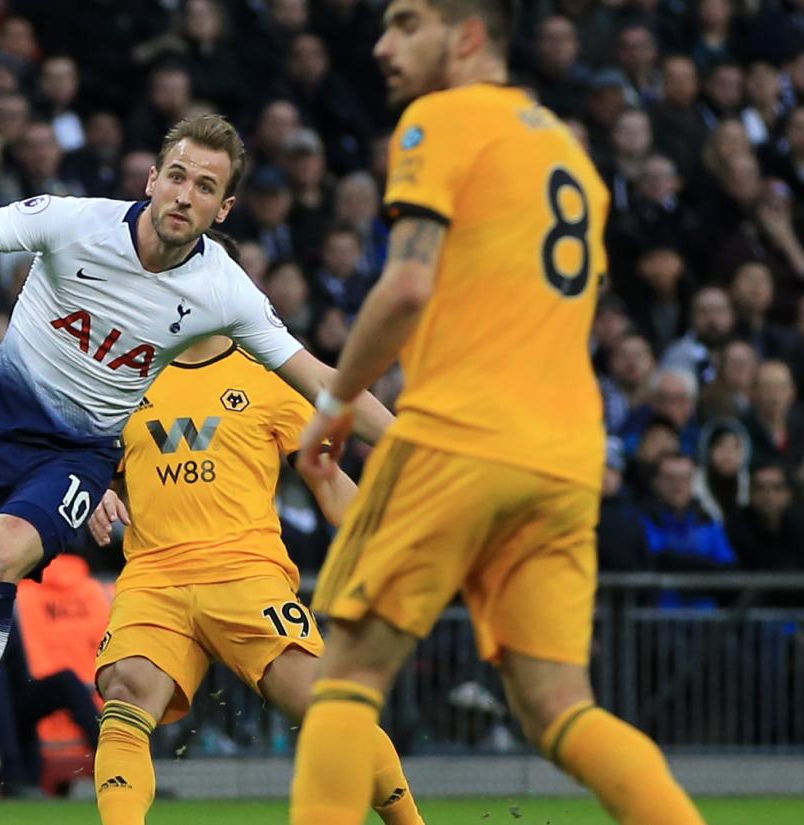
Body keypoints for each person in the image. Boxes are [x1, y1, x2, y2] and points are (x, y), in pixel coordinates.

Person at [0, 112, 393, 822]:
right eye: (176, 176)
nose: (184, 195)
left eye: (204, 187)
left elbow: (322, 380)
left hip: (80, 455)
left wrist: (413, 444)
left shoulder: (223, 290)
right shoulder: (74, 223)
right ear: (151, 179)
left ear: (223, 208)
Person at [291, 1, 702, 822]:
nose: (383, 45)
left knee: (346, 677)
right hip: (567, 457)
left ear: (469, 35)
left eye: (407, 22)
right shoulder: (572, 156)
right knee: (560, 709)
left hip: (462, 432)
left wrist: (334, 402)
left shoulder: (441, 118)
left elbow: (408, 284)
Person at [83, 336, 422, 824]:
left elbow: (327, 480)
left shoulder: (272, 373)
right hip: (154, 578)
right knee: (126, 693)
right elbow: (88, 468)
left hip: (246, 573)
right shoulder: (126, 375)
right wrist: (95, 489)